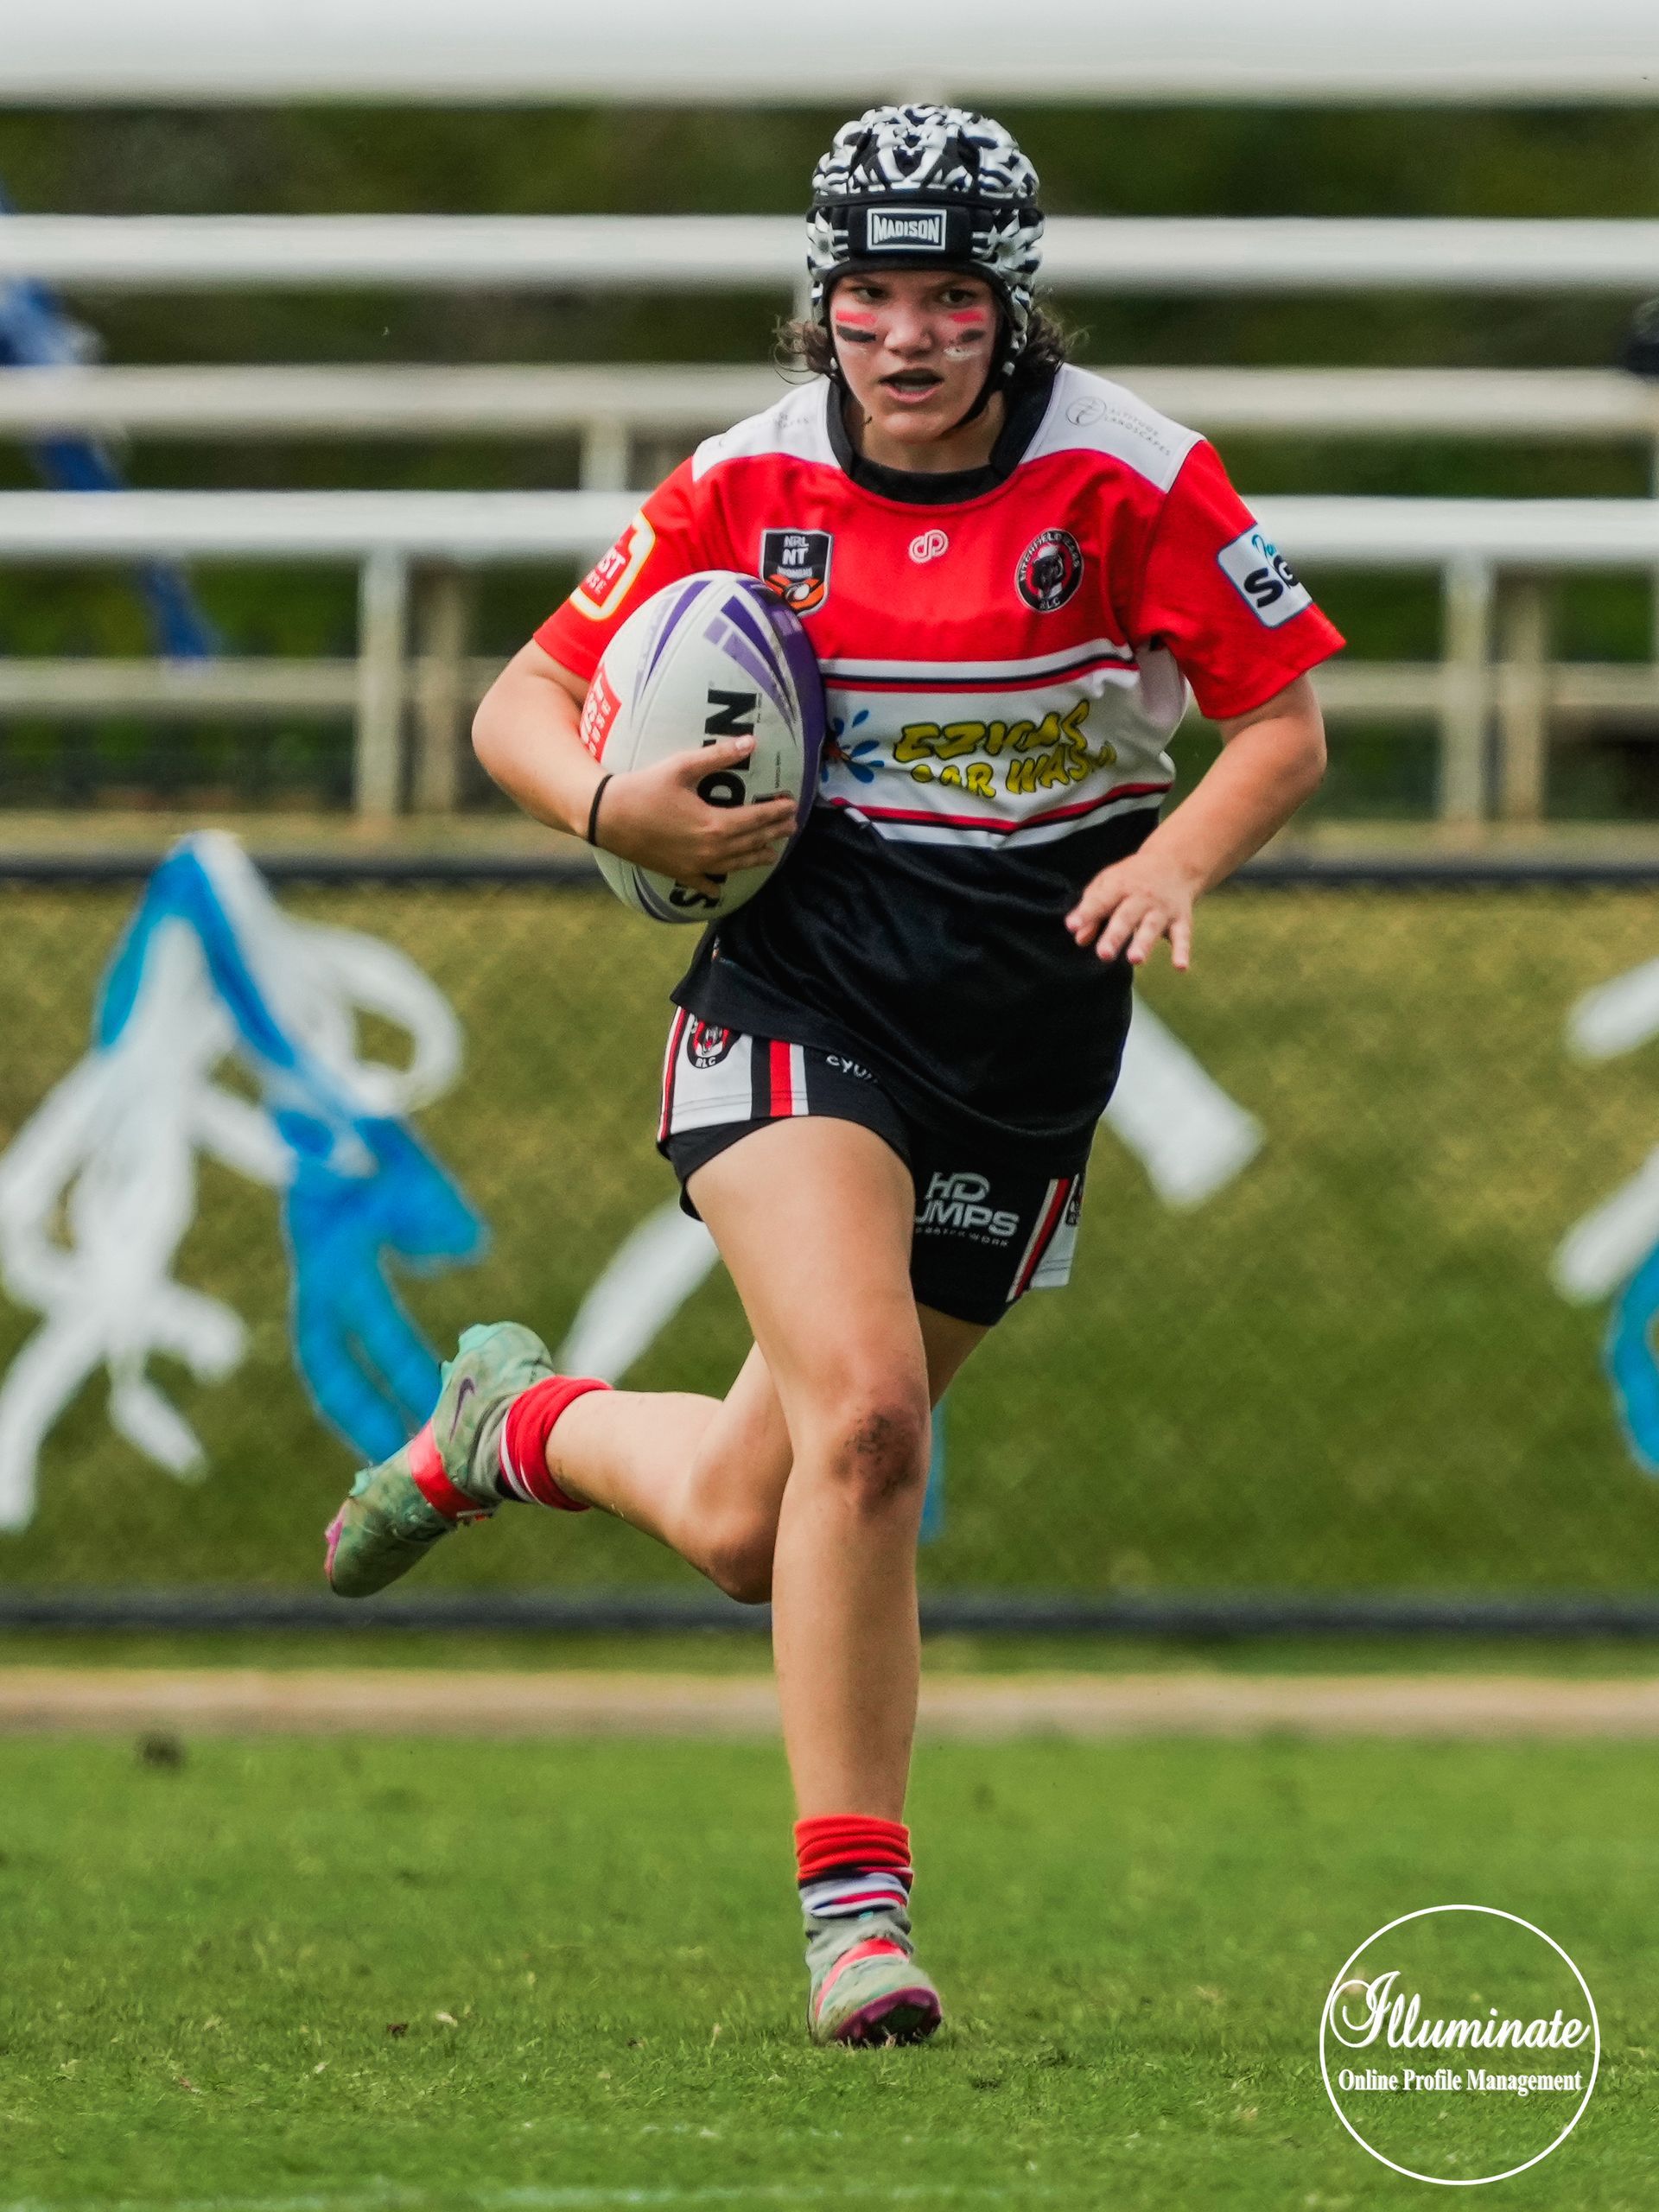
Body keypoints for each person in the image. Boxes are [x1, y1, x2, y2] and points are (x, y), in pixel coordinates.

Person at [324, 105, 1341, 2048]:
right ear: (826, 300)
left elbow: (1281, 724)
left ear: (1007, 303)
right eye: (868, 292)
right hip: (799, 986)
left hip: (1031, 1033)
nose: (903, 332)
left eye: (945, 295)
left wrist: (1171, 853)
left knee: (739, 1511)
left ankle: (506, 1424)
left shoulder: (1135, 480)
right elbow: (515, 700)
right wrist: (610, 798)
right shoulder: (745, 482)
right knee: (870, 1417)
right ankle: (855, 1914)